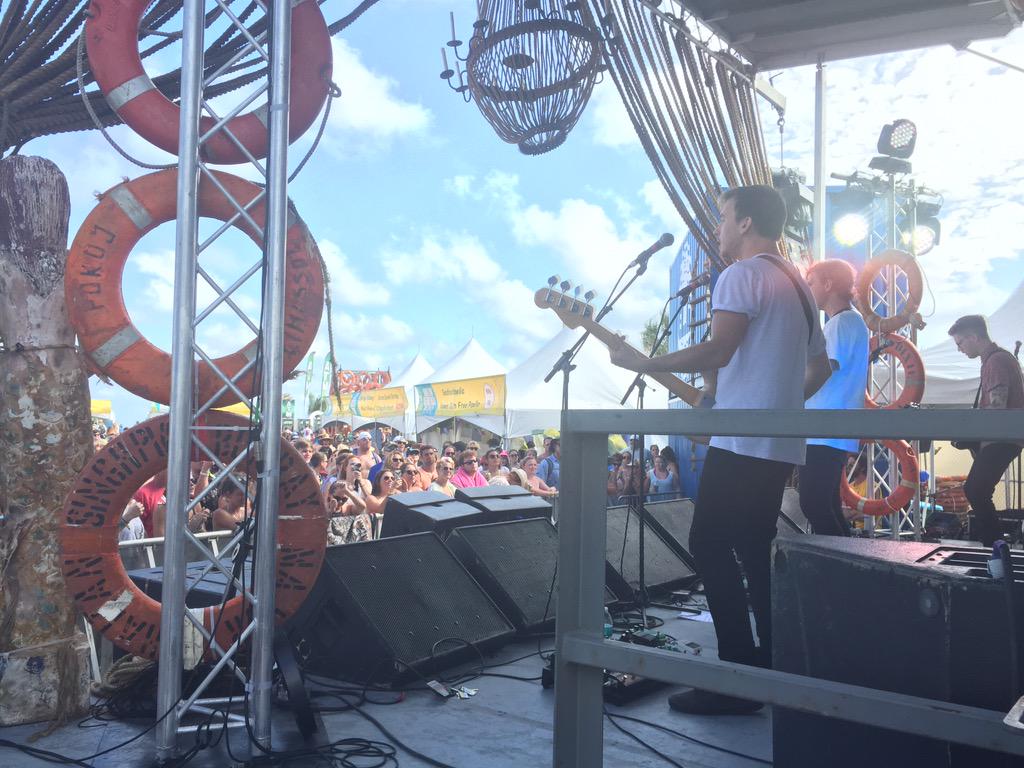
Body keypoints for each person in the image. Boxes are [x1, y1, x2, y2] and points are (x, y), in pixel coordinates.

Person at [610, 184, 830, 715]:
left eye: (723, 217)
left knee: (708, 542)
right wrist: (779, 406)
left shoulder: (742, 275)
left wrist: (644, 364)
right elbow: (822, 366)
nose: (718, 228)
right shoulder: (798, 287)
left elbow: (719, 348)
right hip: (777, 443)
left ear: (747, 222)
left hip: (742, 441)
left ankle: (736, 676)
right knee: (754, 548)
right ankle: (769, 664)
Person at [799, 258, 869, 537]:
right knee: (825, 504)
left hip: (823, 429)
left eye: (811, 283)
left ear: (828, 284)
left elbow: (826, 368)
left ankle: (840, 569)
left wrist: (791, 397)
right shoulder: (849, 322)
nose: (808, 289)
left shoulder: (841, 323)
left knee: (813, 504)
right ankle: (845, 564)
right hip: (829, 429)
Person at [949, 314, 1024, 545]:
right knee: (978, 490)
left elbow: (997, 407)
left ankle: (996, 549)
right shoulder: (996, 360)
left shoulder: (995, 361)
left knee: (976, 491)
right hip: (1002, 439)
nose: (959, 349)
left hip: (1002, 439)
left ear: (973, 336)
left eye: (960, 343)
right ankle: (995, 547)